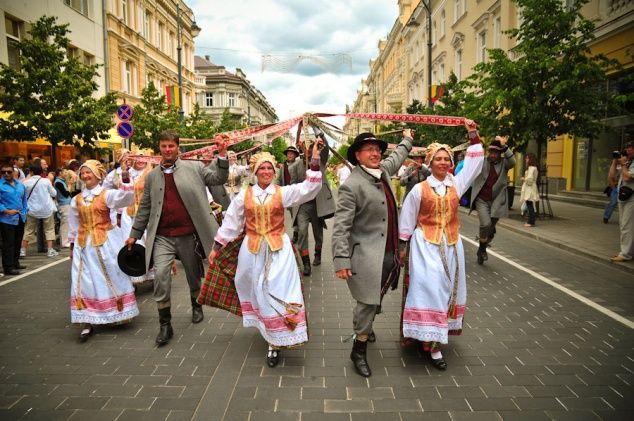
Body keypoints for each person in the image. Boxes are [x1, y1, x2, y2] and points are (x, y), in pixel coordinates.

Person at [206, 144, 323, 367]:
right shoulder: (244, 196)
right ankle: (270, 331)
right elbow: (230, 223)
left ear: (274, 171)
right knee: (257, 290)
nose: (266, 172)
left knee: (276, 289)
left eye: (270, 168)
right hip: (252, 252)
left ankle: (275, 342)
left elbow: (309, 188)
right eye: (262, 168)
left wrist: (315, 158)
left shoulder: (282, 192)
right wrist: (216, 247)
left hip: (279, 251)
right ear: (255, 172)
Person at [125, 130, 229, 346]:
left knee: (193, 274)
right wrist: (134, 234)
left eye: (171, 146)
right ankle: (165, 324)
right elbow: (145, 207)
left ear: (178, 148)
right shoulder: (153, 176)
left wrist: (222, 153)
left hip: (189, 234)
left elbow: (219, 178)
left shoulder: (195, 168)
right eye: (163, 146)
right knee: (161, 275)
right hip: (162, 236)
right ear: (159, 148)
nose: (167, 150)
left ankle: (196, 304)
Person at [398, 120, 484, 370]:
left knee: (446, 290)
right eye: (439, 159)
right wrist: (403, 247)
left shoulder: (456, 183)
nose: (444, 163)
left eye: (447, 159)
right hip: (425, 246)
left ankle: (433, 339)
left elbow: (475, 164)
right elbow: (408, 218)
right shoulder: (420, 189)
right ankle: (431, 343)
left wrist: (472, 133)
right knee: (429, 288)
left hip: (451, 245)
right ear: (430, 163)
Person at [331, 129, 413, 378]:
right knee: (367, 303)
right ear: (357, 155)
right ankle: (359, 349)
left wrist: (407, 139)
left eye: (377, 149)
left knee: (377, 295)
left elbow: (396, 158)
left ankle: (367, 329)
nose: (375, 153)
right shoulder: (351, 186)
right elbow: (341, 228)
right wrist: (341, 260)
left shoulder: (383, 172)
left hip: (388, 254)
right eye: (369, 149)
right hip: (365, 257)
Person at [68, 160, 139, 342]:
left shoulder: (106, 195)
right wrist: (72, 246)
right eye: (83, 173)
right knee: (84, 281)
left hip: (106, 244)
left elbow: (128, 197)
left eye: (88, 172)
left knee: (112, 276)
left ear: (98, 175)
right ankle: (87, 320)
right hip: (84, 247)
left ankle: (117, 312)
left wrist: (124, 175)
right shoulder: (76, 200)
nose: (85, 176)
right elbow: (74, 225)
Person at [469, 136, 516, 264]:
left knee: (489, 232)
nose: (493, 155)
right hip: (482, 199)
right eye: (491, 152)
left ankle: (481, 249)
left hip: (497, 200)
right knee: (485, 224)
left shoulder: (504, 164)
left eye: (496, 153)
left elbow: (512, 161)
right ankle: (483, 248)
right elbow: (472, 158)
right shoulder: (482, 161)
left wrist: (505, 146)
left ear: (500, 154)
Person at [293, 135, 335, 275]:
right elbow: (292, 186)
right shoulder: (296, 166)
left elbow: (326, 148)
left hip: (318, 204)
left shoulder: (320, 161)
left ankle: (318, 254)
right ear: (303, 148)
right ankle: (306, 263)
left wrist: (320, 135)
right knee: (302, 232)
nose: (309, 149)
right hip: (302, 206)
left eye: (312, 147)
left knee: (318, 234)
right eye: (307, 147)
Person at [119, 151, 154, 284]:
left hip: (146, 213)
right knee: (131, 242)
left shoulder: (151, 173)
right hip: (128, 213)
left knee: (148, 242)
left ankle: (152, 274)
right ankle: (135, 272)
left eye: (143, 157)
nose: (140, 160)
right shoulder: (128, 173)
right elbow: (122, 191)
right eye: (138, 157)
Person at [21, 163, 58, 258]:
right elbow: (54, 193)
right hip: (46, 208)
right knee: (49, 229)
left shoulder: (25, 183)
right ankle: (50, 250)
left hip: (32, 209)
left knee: (28, 230)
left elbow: (23, 196)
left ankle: (23, 250)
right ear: (41, 172)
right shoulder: (46, 181)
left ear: (31, 172)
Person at [0, 162, 28, 275]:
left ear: (14, 172)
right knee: (8, 243)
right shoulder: (1, 185)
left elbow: (24, 200)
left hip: (20, 217)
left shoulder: (20, 185)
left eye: (9, 172)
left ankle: (15, 262)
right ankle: (8, 266)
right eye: (3, 172)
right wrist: (6, 211)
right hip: (6, 218)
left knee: (17, 241)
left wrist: (25, 211)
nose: (6, 174)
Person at [610, 140, 634, 262]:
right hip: (623, 198)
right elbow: (611, 177)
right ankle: (627, 251)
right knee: (625, 226)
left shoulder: (629, 163)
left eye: (631, 148)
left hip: (631, 199)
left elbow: (627, 178)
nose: (628, 150)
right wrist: (615, 162)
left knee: (626, 226)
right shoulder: (627, 161)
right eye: (627, 148)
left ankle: (625, 254)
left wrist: (623, 164)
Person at [52, 168, 72, 248]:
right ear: (60, 173)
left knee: (66, 223)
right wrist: (70, 185)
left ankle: (65, 240)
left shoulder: (61, 181)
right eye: (65, 172)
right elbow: (66, 193)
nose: (66, 173)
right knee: (65, 224)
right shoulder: (58, 182)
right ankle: (64, 242)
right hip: (63, 204)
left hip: (65, 204)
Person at [519, 153, 539, 227]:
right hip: (531, 188)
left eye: (527, 158)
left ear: (530, 159)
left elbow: (530, 180)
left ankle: (531, 222)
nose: (526, 159)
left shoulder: (531, 168)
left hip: (529, 188)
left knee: (530, 205)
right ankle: (531, 221)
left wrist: (523, 179)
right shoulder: (534, 168)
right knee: (530, 204)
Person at [604, 151, 622, 224]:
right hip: (615, 187)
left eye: (618, 156)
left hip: (624, 187)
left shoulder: (625, 163)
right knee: (613, 203)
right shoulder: (614, 164)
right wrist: (614, 188)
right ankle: (606, 216)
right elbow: (610, 177)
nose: (618, 158)